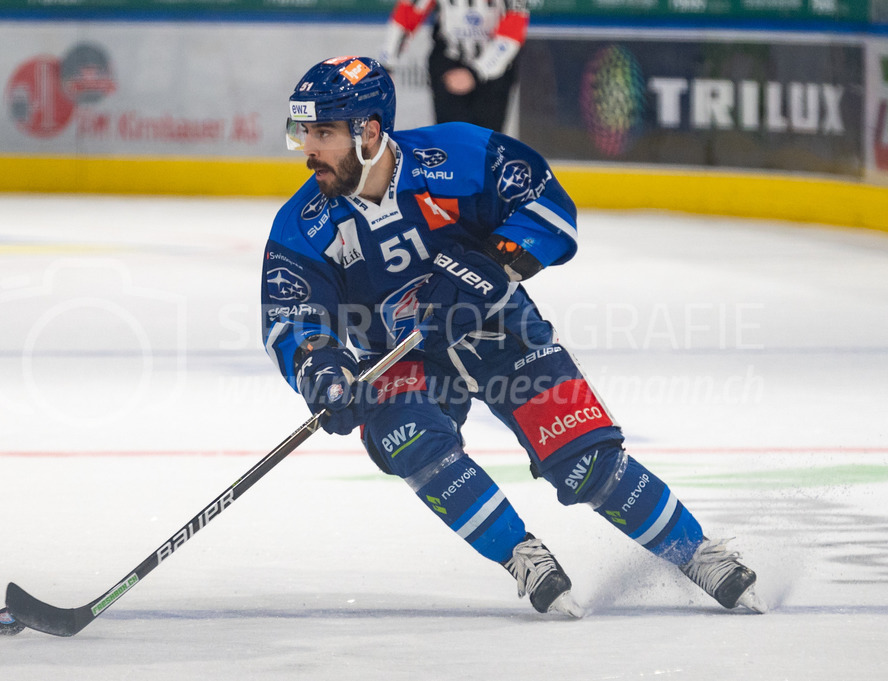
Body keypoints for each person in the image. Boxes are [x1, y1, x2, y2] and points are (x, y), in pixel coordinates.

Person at [261, 56, 766, 616]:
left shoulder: (458, 154)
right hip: (403, 356)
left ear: (370, 131)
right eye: (303, 132)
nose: (309, 150)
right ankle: (522, 555)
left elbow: (550, 206)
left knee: (585, 460)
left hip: (502, 325)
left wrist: (488, 265)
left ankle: (697, 553)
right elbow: (293, 318)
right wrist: (322, 371)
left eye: (323, 133)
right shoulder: (301, 225)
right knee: (406, 434)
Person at [378, 0, 528, 132]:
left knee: (487, 144)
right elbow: (407, 15)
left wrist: (476, 72)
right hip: (450, 62)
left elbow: (512, 34)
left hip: (494, 72)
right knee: (450, 141)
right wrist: (387, 64)